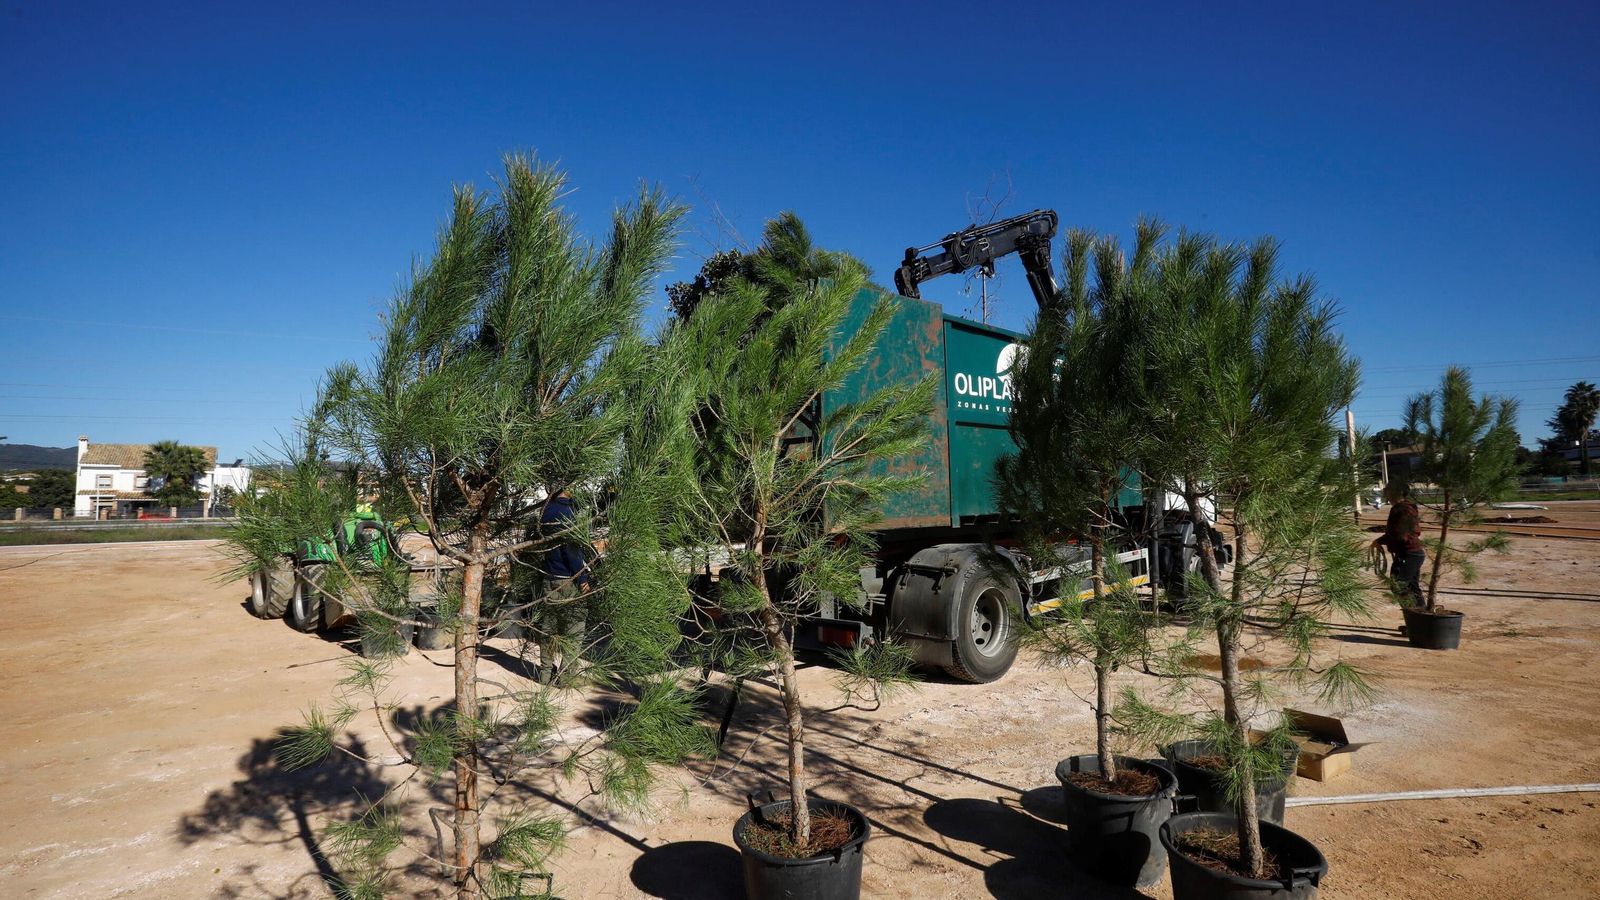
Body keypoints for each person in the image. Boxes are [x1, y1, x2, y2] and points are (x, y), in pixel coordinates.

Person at [533, 489, 592, 683]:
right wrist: (582, 578)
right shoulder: (568, 514)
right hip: (568, 580)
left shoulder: (545, 511)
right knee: (574, 631)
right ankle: (566, 678)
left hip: (549, 578)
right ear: (569, 490)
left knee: (549, 630)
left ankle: (545, 674)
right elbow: (571, 549)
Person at [1373, 479, 1425, 608]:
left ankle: (1415, 616)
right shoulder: (1405, 507)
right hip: (1412, 553)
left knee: (1398, 586)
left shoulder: (1402, 509)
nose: (1386, 494)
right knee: (1412, 587)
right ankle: (1419, 619)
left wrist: (1380, 541)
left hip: (1408, 553)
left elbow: (1400, 534)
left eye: (1388, 491)